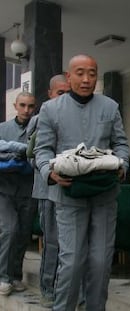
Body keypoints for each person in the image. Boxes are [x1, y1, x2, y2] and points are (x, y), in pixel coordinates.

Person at [34, 54, 130, 311]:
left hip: (105, 195)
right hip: (68, 196)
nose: (86, 79)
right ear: (69, 76)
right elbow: (42, 150)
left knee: (100, 261)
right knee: (72, 260)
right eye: (80, 73)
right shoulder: (50, 109)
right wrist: (49, 172)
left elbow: (121, 144)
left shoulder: (110, 106)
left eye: (92, 73)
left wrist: (122, 163)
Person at [26, 74, 72, 308]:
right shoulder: (41, 117)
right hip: (48, 191)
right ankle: (47, 289)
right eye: (60, 93)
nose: (65, 97)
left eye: (68, 92)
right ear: (51, 94)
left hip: (72, 192)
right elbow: (32, 155)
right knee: (53, 243)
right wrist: (51, 170)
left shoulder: (75, 115)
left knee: (72, 246)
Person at [0, 91, 36, 296]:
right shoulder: (2, 129)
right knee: (9, 230)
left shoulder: (38, 128)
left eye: (30, 106)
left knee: (23, 233)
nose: (26, 110)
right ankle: (3, 276)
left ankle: (15, 274)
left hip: (28, 189)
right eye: (22, 105)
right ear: (15, 105)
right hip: (4, 189)